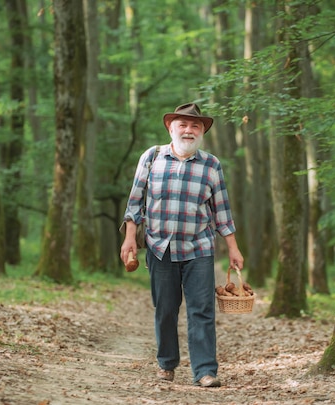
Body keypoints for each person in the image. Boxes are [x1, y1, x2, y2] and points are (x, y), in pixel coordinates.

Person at [119, 102, 244, 388]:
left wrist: (233, 248)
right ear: (170, 127)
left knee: (202, 310)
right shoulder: (151, 158)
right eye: (183, 125)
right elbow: (135, 202)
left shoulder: (211, 165)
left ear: (202, 132)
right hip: (159, 246)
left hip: (199, 248)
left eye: (195, 126)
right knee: (165, 309)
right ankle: (167, 363)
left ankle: (205, 371)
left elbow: (221, 211)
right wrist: (129, 237)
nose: (188, 130)